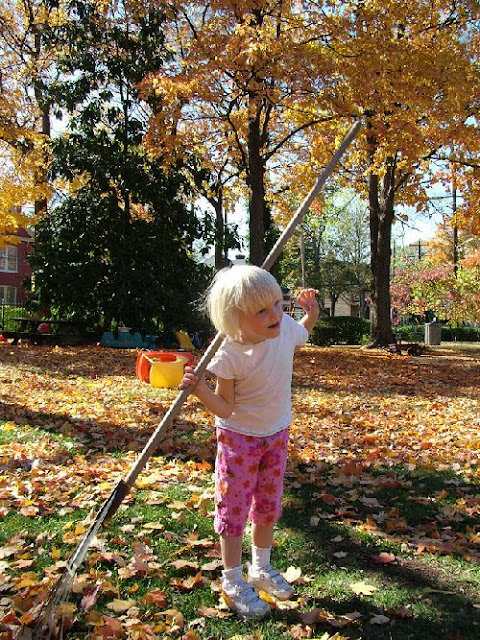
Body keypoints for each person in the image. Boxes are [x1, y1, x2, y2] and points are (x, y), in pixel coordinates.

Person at [179, 265, 319, 619]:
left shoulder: (284, 327)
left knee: (268, 504)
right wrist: (200, 390)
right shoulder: (229, 353)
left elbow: (300, 334)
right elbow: (224, 406)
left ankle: (260, 567)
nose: (275, 313)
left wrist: (310, 315)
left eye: (277, 302)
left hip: (277, 432)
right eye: (261, 310)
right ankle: (232, 579)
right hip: (239, 438)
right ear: (235, 319)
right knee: (235, 507)